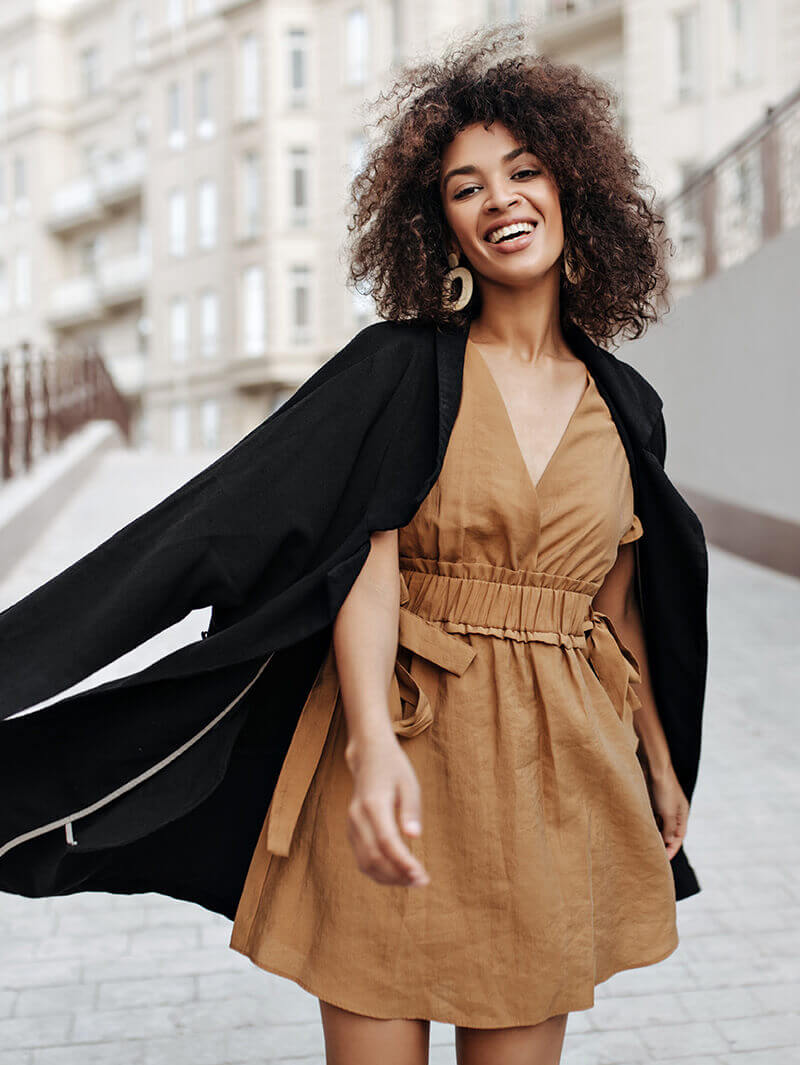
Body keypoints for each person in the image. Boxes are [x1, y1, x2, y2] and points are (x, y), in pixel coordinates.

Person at [226, 22, 700, 1065]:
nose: (500, 201)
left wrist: (660, 760)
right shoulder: (403, 370)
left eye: (523, 172)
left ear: (573, 187)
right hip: (397, 746)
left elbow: (616, 608)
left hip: (552, 775)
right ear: (437, 225)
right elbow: (365, 557)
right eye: (464, 187)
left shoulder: (627, 408)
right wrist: (370, 742)